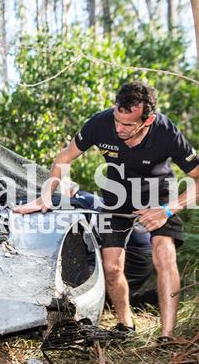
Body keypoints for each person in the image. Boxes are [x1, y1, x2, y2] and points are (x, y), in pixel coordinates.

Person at [14, 81, 199, 343]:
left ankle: (167, 335)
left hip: (159, 197)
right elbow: (64, 158)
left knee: (163, 255)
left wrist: (168, 210)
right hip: (116, 198)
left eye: (127, 125)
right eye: (117, 120)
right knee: (111, 267)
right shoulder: (99, 124)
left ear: (147, 121)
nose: (118, 128)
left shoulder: (165, 131)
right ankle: (125, 325)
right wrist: (46, 195)